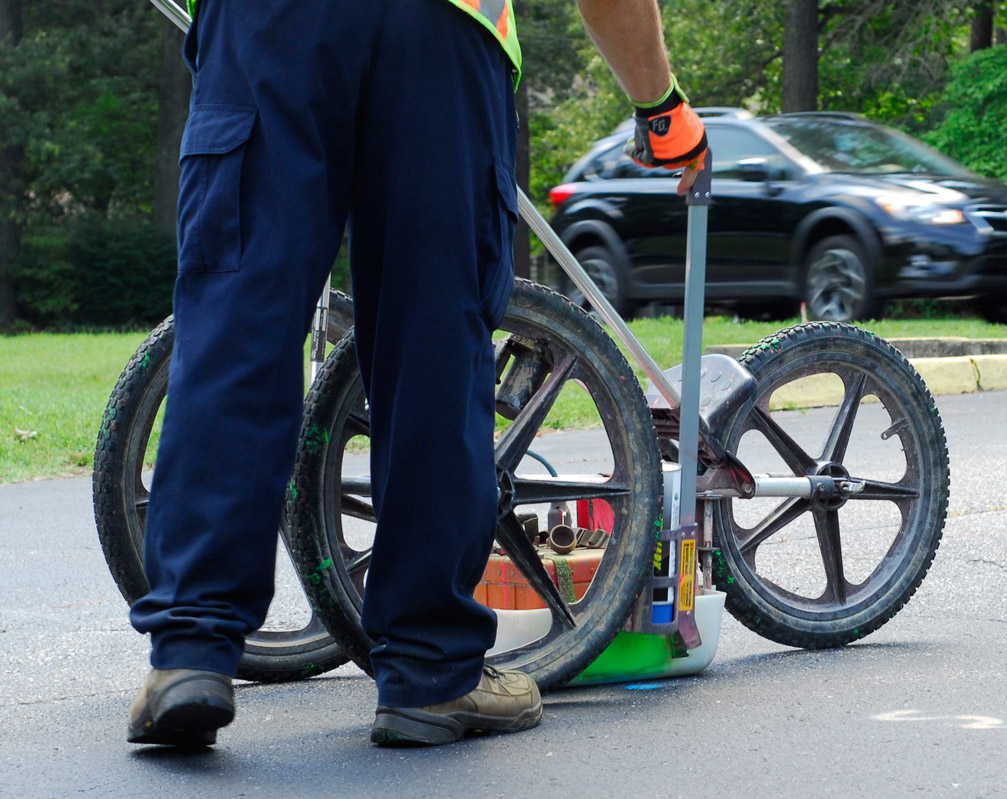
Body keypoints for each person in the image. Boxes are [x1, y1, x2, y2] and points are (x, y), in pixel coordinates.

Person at [126, 0, 707, 748]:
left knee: (238, 319)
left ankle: (192, 652)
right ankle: (432, 673)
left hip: (268, 26)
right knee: (433, 337)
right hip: (441, 29)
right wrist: (659, 105)